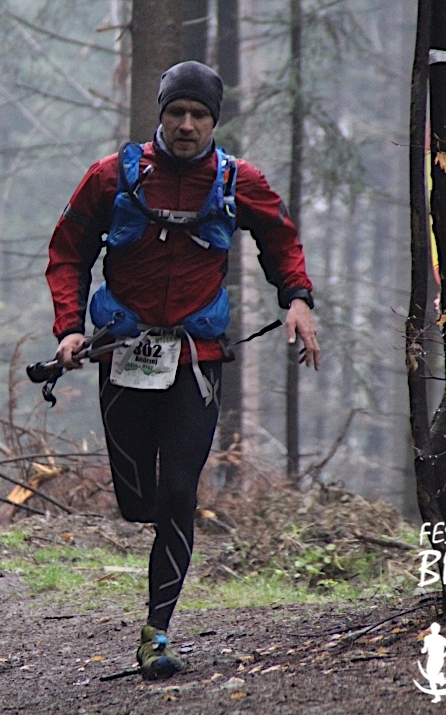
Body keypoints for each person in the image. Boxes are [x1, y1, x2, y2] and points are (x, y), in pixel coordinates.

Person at [45, 60, 319, 680]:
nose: (187, 125)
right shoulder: (111, 177)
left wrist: (299, 299)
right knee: (137, 500)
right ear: (161, 116)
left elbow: (281, 240)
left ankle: (157, 632)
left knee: (177, 494)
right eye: (177, 113)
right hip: (122, 354)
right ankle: (150, 538)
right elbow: (66, 252)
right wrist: (68, 329)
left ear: (214, 121)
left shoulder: (238, 180)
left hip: (197, 360)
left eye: (199, 115)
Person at [421, 623, 446, 702]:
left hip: (434, 658)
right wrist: (443, 655)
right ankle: (437, 695)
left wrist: (443, 655)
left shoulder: (429, 638)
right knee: (431, 677)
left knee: (431, 677)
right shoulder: (440, 639)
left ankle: (439, 678)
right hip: (437, 658)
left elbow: (424, 650)